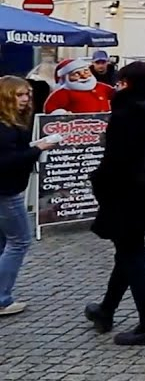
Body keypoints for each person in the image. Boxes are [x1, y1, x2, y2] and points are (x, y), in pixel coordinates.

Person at [85, 62, 145, 345]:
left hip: (127, 193)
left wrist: (97, 180)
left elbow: (116, 160)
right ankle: (106, 309)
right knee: (128, 252)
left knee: (133, 255)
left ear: (127, 83)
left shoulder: (129, 113)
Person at [0, 77, 60, 316]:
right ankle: (2, 299)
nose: (25, 99)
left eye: (27, 94)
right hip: (6, 191)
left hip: (7, 189)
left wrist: (34, 146)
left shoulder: (11, 123)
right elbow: (6, 162)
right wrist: (38, 149)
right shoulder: (4, 128)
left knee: (4, 242)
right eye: (19, 95)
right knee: (19, 241)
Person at [44, 57, 114, 114]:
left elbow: (116, 95)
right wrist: (62, 114)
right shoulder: (64, 93)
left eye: (86, 71)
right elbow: (50, 109)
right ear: (67, 77)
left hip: (102, 126)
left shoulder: (101, 87)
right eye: (76, 74)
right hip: (79, 127)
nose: (83, 76)